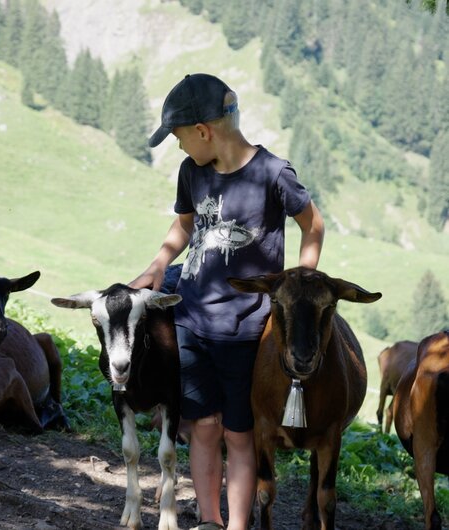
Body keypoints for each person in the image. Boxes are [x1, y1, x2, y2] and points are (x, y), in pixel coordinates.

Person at [129, 73, 325, 530]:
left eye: (178, 138)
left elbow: (312, 224)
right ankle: (211, 523)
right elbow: (184, 225)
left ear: (204, 131)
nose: (177, 148)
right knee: (202, 427)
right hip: (191, 320)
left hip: (246, 330)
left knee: (239, 435)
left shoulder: (274, 174)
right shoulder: (192, 171)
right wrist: (158, 265)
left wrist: (302, 280)